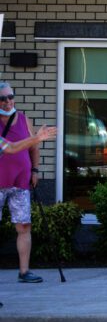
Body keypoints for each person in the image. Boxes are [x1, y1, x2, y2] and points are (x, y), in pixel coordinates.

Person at [0, 83, 58, 284]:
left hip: (20, 182)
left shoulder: (24, 119)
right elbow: (11, 147)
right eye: (3, 99)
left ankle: (24, 271)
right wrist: (37, 138)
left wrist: (34, 170)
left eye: (10, 97)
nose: (8, 102)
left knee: (24, 225)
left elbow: (33, 148)